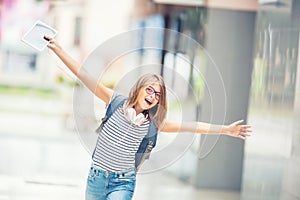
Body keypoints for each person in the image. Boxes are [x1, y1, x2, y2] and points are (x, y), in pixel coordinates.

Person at [44, 35, 252, 200]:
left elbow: (193, 126)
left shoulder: (154, 123)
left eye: (158, 95)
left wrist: (225, 129)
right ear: (139, 89)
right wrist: (59, 49)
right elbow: (84, 75)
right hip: (96, 178)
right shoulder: (114, 101)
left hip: (123, 182)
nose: (152, 96)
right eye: (150, 90)